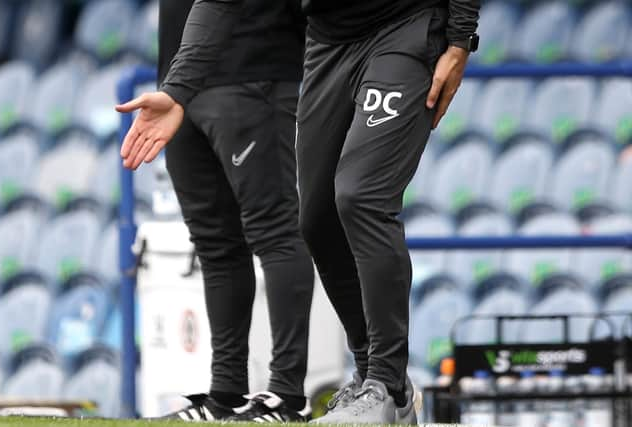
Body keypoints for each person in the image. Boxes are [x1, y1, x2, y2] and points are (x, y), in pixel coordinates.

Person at [117, 0, 480, 423]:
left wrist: (459, 39)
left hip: (405, 24)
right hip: (328, 40)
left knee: (359, 195)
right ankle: (371, 380)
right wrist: (178, 89)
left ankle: (387, 384)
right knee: (316, 219)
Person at [117, 0, 315, 422]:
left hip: (254, 69)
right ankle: (226, 394)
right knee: (214, 242)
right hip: (177, 87)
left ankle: (287, 396)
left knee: (274, 231)